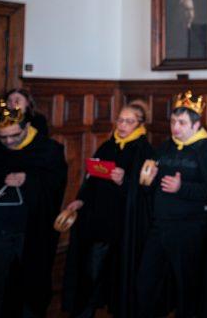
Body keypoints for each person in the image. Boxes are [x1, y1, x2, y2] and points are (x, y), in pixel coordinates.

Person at [135, 91, 207, 318]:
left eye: (182, 123)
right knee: (147, 279)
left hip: (189, 228)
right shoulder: (165, 147)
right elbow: (149, 187)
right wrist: (149, 180)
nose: (176, 127)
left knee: (187, 285)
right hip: (160, 224)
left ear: (196, 124)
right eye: (173, 122)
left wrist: (181, 188)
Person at [61, 101, 153, 318]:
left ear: (140, 124)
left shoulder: (145, 151)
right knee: (90, 268)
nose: (122, 125)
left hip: (124, 225)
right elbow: (91, 180)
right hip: (97, 219)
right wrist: (80, 200)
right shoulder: (107, 146)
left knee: (110, 272)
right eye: (120, 120)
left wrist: (125, 181)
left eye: (128, 121)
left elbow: (146, 192)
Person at [0, 101, 67, 318]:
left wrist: (28, 179)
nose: (9, 141)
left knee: (31, 281)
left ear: (26, 127)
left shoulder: (47, 149)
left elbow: (56, 183)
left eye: (14, 135)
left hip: (31, 229)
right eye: (3, 137)